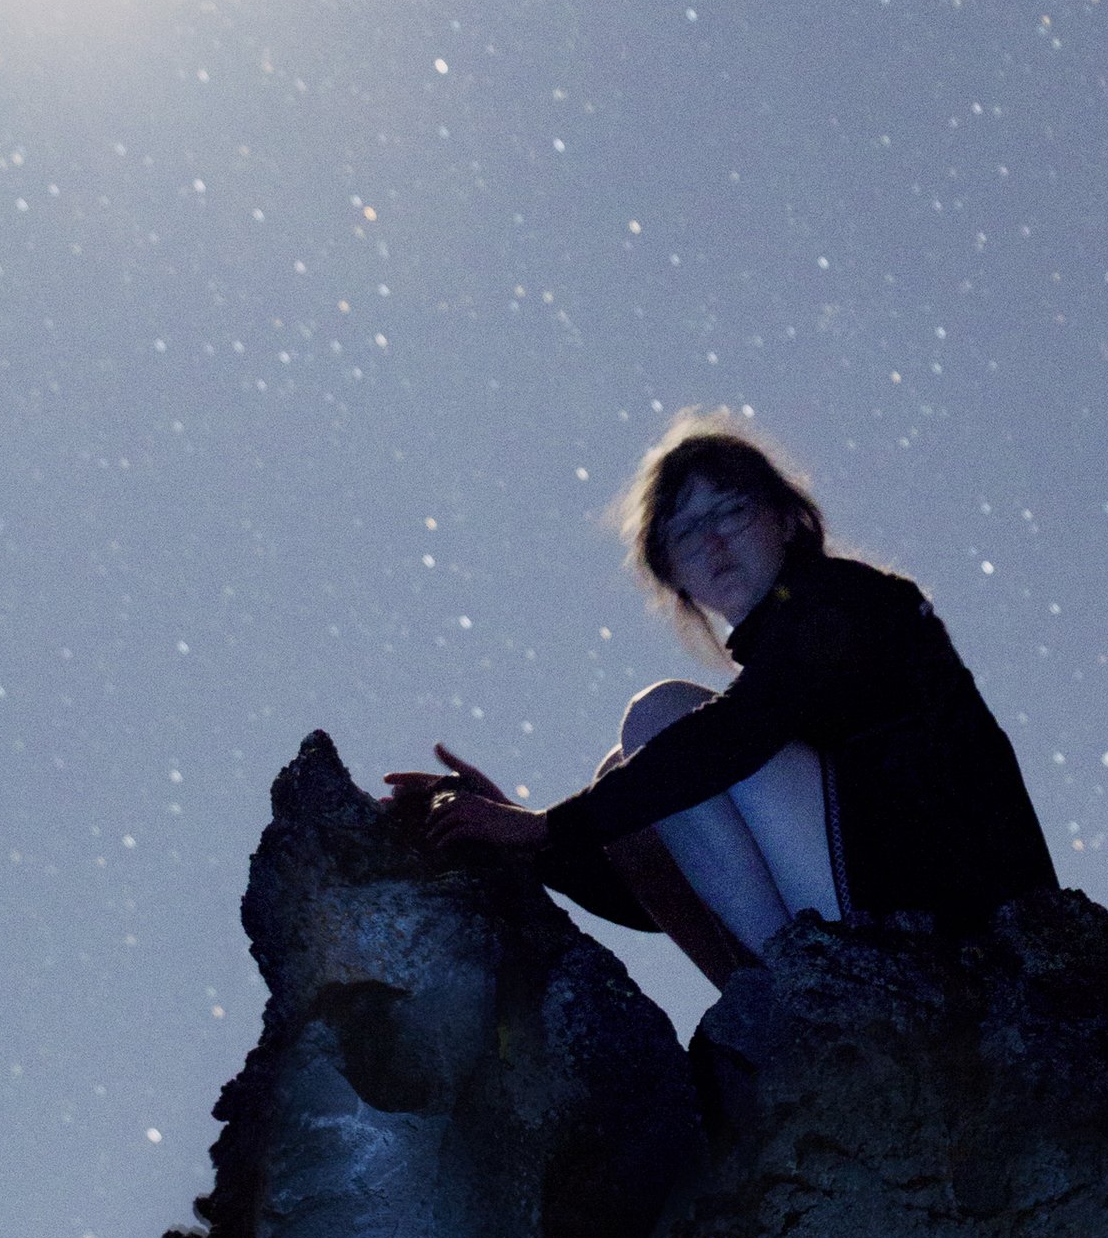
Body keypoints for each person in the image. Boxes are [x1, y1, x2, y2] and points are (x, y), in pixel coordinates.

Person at [386, 420, 1058, 987]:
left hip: (963, 919)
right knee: (631, 790)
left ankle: (803, 996)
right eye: (683, 532)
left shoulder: (848, 603)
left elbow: (735, 734)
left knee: (660, 726)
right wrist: (523, 840)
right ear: (671, 575)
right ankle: (785, 1002)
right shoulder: (783, 664)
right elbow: (677, 879)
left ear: (788, 518)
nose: (711, 541)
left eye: (729, 510)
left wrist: (542, 825)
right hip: (878, 907)